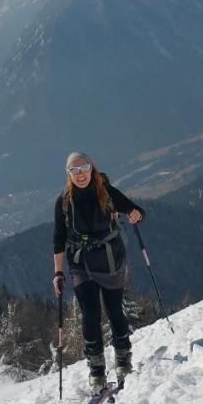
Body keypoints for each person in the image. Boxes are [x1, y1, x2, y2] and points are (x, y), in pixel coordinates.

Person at [52, 151, 144, 390]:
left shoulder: (106, 191)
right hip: (80, 263)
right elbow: (58, 238)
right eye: (74, 170)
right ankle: (96, 368)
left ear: (92, 168)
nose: (80, 174)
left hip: (109, 259)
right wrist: (58, 273)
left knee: (114, 310)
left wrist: (136, 214)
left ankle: (123, 359)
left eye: (83, 168)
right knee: (90, 314)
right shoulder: (63, 202)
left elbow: (134, 210)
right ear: (68, 173)